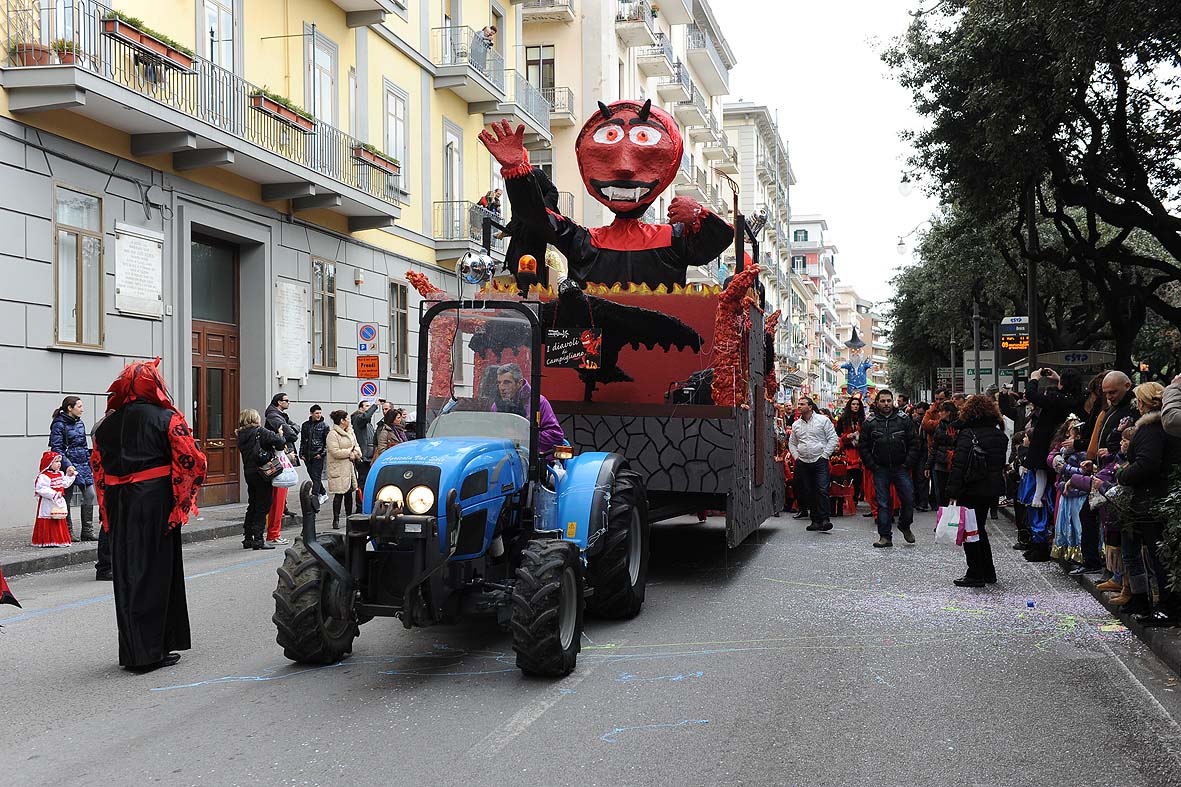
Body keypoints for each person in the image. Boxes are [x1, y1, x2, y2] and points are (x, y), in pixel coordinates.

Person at [91, 360, 205, 672]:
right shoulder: (166, 417)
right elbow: (192, 460)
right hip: (154, 500)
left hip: (120, 501)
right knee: (155, 573)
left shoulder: (107, 424)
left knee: (128, 575)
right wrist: (182, 502)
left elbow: (98, 468)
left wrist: (107, 510)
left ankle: (133, 650)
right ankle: (150, 652)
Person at [1114, 382, 1181, 626]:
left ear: (1143, 403)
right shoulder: (1164, 428)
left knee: (1159, 556)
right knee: (1160, 556)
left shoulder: (1153, 429)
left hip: (1153, 501)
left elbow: (1147, 464)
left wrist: (1123, 473)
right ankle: (1161, 603)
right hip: (1161, 499)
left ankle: (1168, 607)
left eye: (1138, 402)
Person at [1021, 367, 1086, 561]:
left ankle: (1040, 541)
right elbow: (1070, 393)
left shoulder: (1057, 400)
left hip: (1045, 450)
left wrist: (1033, 379)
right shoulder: (1075, 400)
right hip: (1057, 449)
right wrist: (1060, 379)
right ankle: (1044, 540)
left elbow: (1032, 395)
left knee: (1039, 494)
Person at [943, 394, 1008, 587]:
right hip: (991, 489)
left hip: (971, 488)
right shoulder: (999, 435)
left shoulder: (968, 434)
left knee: (971, 532)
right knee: (979, 529)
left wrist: (952, 491)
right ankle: (988, 571)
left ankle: (975, 573)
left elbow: (959, 464)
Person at [860, 389, 920, 548]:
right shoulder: (870, 422)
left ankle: (905, 525)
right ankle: (885, 536)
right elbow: (863, 446)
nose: (886, 404)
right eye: (883, 401)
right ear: (877, 403)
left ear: (892, 401)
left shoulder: (904, 420)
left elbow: (914, 443)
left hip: (901, 467)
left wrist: (908, 463)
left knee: (908, 499)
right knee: (883, 503)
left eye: (888, 400)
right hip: (880, 468)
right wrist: (872, 465)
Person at [787, 397, 838, 533]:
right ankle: (815, 521)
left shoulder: (823, 420)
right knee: (809, 491)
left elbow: (833, 438)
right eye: (799, 404)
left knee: (821, 489)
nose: (799, 406)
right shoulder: (796, 424)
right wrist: (796, 456)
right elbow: (792, 443)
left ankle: (825, 519)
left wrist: (825, 455)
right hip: (803, 461)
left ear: (810, 407)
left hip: (819, 460)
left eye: (802, 404)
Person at [237, 409, 286, 550]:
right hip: (263, 472)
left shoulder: (241, 434)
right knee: (263, 505)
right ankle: (258, 539)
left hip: (249, 472)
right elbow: (280, 442)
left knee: (252, 504)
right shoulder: (260, 431)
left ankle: (247, 538)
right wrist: (280, 434)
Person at [491, 363, 566, 455]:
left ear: (519, 383)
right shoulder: (496, 406)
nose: (502, 387)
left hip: (533, 460)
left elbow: (556, 436)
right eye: (499, 383)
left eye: (507, 382)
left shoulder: (538, 402)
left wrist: (525, 436)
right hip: (503, 458)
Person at [264, 393, 299, 547]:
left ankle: (271, 533)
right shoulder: (274, 415)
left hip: (276, 462)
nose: (289, 402)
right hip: (278, 463)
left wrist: (292, 430)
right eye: (286, 400)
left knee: (276, 500)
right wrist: (291, 431)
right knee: (277, 500)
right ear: (279, 402)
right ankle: (273, 534)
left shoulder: (279, 415)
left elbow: (296, 427)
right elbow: (292, 433)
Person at [32, 451, 76, 547]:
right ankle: (47, 540)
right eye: (56, 461)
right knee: (49, 518)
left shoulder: (60, 474)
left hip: (58, 501)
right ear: (49, 463)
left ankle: (59, 540)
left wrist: (70, 476)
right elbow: (41, 488)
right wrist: (54, 494)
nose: (59, 464)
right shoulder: (43, 476)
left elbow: (65, 484)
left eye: (59, 461)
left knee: (59, 518)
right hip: (48, 501)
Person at [326, 410, 361, 529]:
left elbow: (356, 445)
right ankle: (335, 519)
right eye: (347, 419)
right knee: (339, 494)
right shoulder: (333, 434)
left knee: (349, 493)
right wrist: (349, 453)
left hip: (349, 467)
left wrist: (356, 453)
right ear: (342, 421)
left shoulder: (350, 432)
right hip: (339, 467)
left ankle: (349, 517)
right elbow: (334, 451)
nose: (349, 421)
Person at [351, 398, 386, 505]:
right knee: (363, 482)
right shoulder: (358, 419)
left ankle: (365, 503)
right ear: (360, 408)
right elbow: (366, 416)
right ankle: (360, 505)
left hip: (369, 457)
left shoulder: (367, 423)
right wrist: (375, 405)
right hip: (363, 458)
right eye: (366, 406)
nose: (368, 408)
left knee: (368, 482)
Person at [834, 397, 865, 509]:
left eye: (857, 404)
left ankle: (855, 497)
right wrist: (846, 437)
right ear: (849, 406)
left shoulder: (863, 420)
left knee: (858, 477)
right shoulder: (843, 419)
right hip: (846, 450)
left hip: (859, 451)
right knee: (847, 475)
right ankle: (847, 498)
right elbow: (837, 435)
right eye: (853, 404)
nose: (855, 406)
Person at [926, 401, 958, 509]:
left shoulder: (958, 426)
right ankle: (942, 519)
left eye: (942, 411)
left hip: (954, 463)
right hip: (940, 463)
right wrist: (928, 465)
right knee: (940, 493)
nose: (939, 414)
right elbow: (934, 446)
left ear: (948, 412)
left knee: (953, 493)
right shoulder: (939, 426)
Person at [300, 405, 330, 507]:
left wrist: (321, 454)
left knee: (316, 476)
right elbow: (303, 440)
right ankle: (323, 493)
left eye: (320, 413)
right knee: (313, 476)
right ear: (311, 413)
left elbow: (327, 443)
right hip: (307, 455)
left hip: (318, 455)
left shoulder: (324, 426)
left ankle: (315, 496)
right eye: (316, 413)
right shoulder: (305, 425)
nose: (318, 415)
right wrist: (301, 453)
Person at [910, 402, 931, 511]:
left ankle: (923, 502)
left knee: (922, 477)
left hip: (924, 452)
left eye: (922, 414)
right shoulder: (913, 423)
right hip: (914, 452)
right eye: (918, 414)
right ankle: (916, 501)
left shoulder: (928, 424)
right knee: (914, 477)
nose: (919, 416)